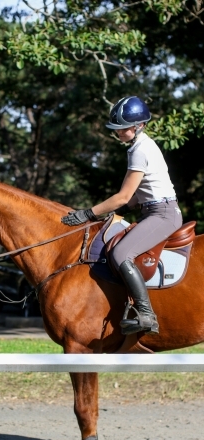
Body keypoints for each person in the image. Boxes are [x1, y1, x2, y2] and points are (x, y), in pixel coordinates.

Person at [61, 96, 183, 336]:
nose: (117, 132)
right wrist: (120, 211)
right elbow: (141, 194)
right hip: (153, 209)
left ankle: (146, 314)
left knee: (121, 253)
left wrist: (88, 213)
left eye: (121, 128)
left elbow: (123, 196)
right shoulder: (141, 147)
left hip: (163, 214)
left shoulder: (140, 150)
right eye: (116, 128)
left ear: (137, 126)